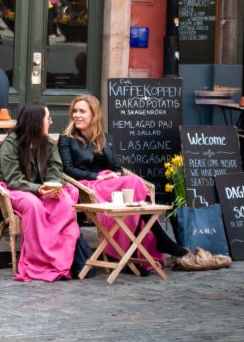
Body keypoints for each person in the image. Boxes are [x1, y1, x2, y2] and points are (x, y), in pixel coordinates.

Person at [58, 94, 194, 267]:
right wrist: (98, 177)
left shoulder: (105, 138)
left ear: (94, 115)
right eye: (75, 111)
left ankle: (136, 253)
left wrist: (114, 175)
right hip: (90, 185)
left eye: (82, 111)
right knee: (135, 182)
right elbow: (68, 170)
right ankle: (160, 239)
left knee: (132, 182)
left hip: (111, 184)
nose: (77, 115)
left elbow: (117, 167)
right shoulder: (66, 139)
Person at [0, 102, 79, 282]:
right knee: (32, 204)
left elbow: (55, 171)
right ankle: (37, 261)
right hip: (17, 190)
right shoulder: (11, 144)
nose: (50, 122)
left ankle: (59, 258)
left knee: (65, 201)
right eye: (47, 118)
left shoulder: (48, 143)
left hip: (43, 190)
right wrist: (38, 189)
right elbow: (13, 179)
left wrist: (52, 186)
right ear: (35, 121)